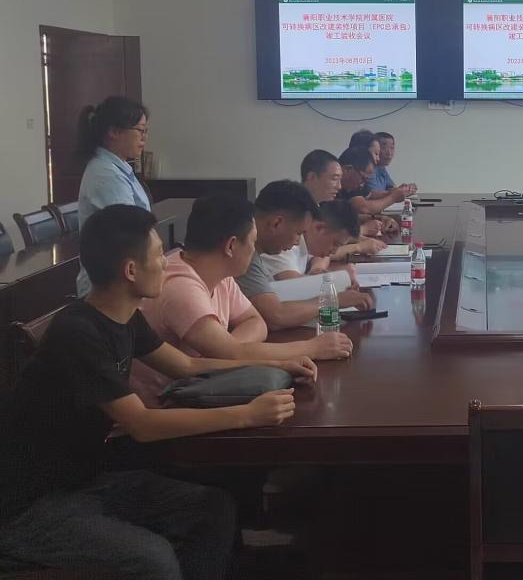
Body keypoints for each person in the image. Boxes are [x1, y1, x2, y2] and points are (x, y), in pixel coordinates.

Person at [0, 204, 315, 579]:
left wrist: (278, 364)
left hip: (85, 479)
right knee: (153, 559)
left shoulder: (123, 316)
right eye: (158, 256)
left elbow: (186, 366)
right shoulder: (77, 333)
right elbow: (143, 424)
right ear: (131, 271)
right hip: (29, 506)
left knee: (212, 508)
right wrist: (249, 414)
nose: (167, 263)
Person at [131, 194, 354, 404]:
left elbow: (255, 323)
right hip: (165, 406)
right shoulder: (181, 286)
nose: (254, 250)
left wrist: (228, 348)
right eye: (252, 242)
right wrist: (312, 347)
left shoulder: (221, 275)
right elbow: (233, 353)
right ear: (231, 246)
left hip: (199, 390)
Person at [237, 180, 373, 330]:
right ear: (276, 223)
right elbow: (277, 315)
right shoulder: (241, 252)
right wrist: (333, 300)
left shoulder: (252, 251)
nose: (297, 242)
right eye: (298, 233)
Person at [75, 96, 152, 297]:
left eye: (146, 131)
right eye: (140, 130)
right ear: (114, 132)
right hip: (110, 287)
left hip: (124, 277)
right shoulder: (106, 175)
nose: (144, 138)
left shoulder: (118, 166)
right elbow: (131, 229)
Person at [298, 149, 385, 262]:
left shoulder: (315, 206)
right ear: (312, 177)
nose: (339, 186)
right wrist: (359, 247)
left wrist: (361, 240)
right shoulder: (296, 213)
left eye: (340, 180)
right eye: (334, 179)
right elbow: (317, 253)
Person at [336, 146, 407, 215]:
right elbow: (363, 208)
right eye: (363, 178)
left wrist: (393, 192)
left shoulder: (352, 184)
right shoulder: (334, 188)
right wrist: (393, 198)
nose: (362, 184)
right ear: (348, 170)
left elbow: (369, 194)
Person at [367, 132, 417, 197]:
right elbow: (373, 195)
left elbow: (391, 188)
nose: (389, 153)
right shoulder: (368, 168)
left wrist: (405, 189)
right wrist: (399, 192)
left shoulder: (382, 168)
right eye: (384, 147)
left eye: (392, 148)